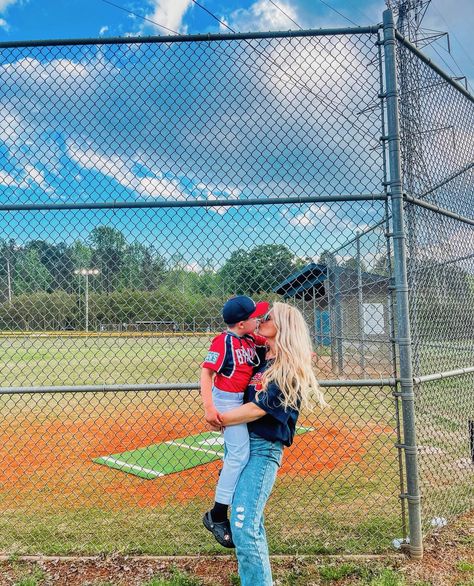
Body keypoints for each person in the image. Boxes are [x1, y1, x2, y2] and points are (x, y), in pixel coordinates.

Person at [212, 302, 327, 585]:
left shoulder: (287, 368)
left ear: (283, 327)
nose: (260, 319)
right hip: (242, 445)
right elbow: (239, 340)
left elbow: (258, 409)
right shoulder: (264, 358)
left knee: (242, 526)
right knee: (250, 523)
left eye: (268, 317)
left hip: (263, 450)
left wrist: (220, 418)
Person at [200, 295, 269, 547]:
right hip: (227, 400)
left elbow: (275, 341)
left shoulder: (251, 338)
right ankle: (216, 515)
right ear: (241, 324)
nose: (259, 319)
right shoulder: (224, 341)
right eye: (254, 317)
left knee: (237, 454)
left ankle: (225, 475)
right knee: (239, 455)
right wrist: (209, 407)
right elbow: (207, 373)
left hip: (242, 400)